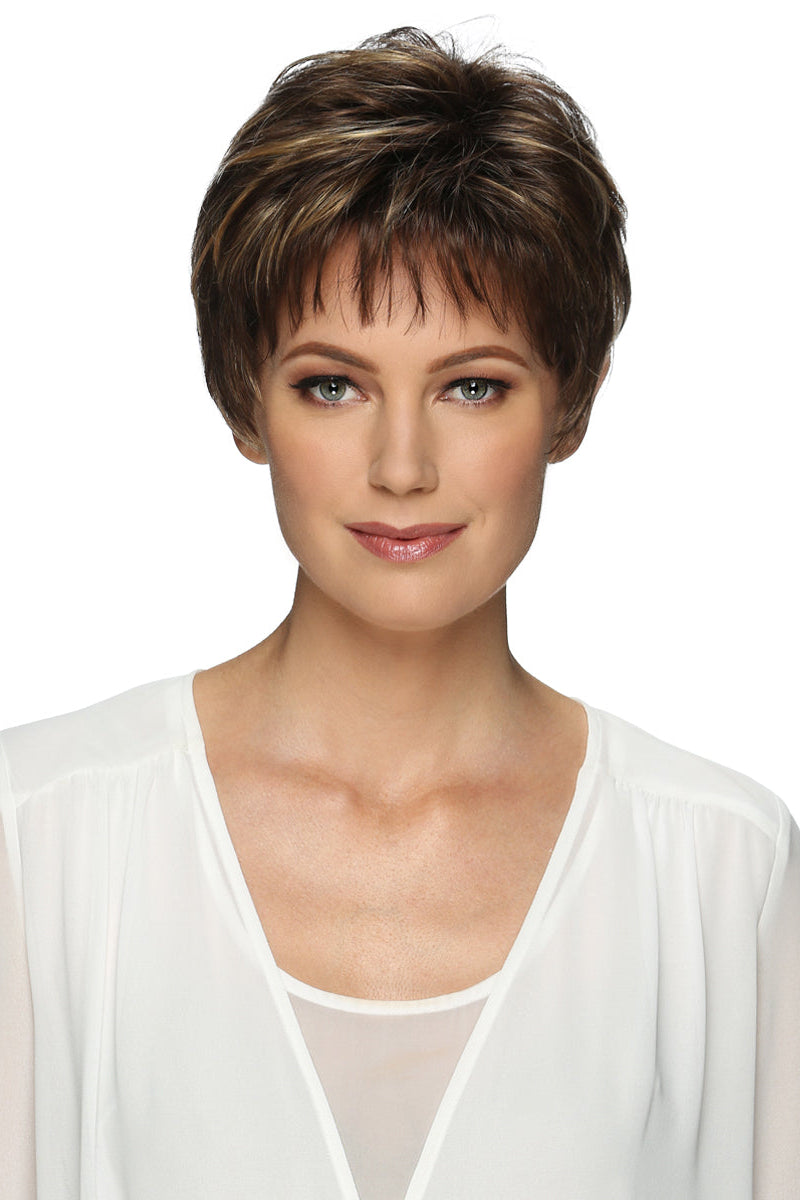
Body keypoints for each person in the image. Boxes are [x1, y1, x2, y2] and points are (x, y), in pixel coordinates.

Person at [1, 25, 797, 1200]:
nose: (402, 466)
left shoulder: (719, 868)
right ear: (244, 401)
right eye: (333, 385)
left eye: (472, 385)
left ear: (568, 404)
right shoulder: (40, 837)